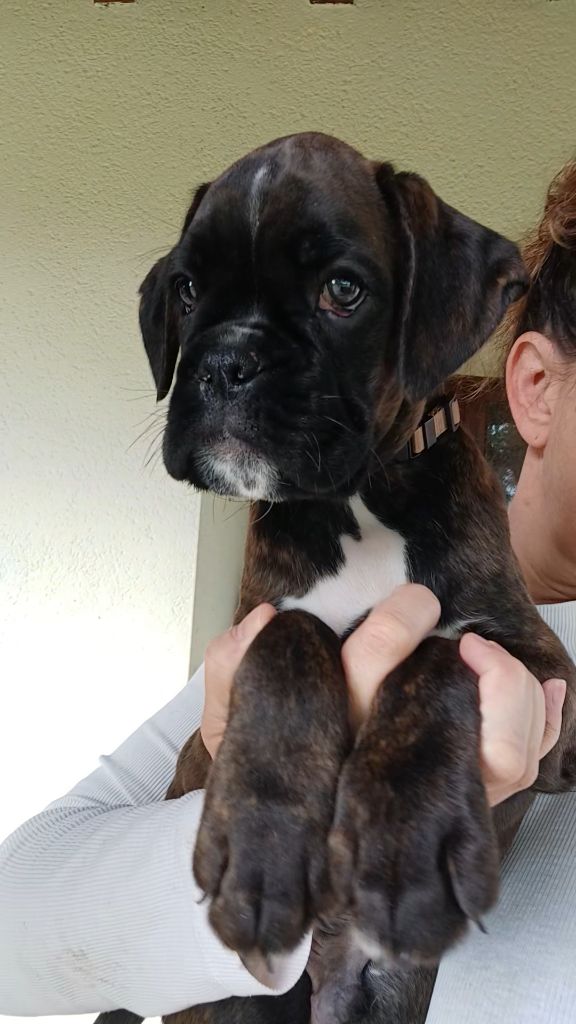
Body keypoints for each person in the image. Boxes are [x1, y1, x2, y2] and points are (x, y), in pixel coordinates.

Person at [0, 159, 574, 1021]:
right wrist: (264, 825)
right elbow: (16, 923)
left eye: (338, 291)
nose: (230, 358)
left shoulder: (489, 598)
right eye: (194, 295)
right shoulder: (289, 584)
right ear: (534, 388)